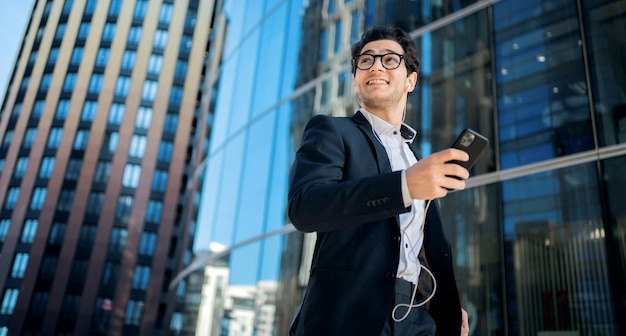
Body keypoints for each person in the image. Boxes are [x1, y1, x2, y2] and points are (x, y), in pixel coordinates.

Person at [287, 25, 470, 336]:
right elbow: (305, 207)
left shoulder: (415, 159)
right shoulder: (332, 131)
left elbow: (420, 250)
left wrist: (447, 313)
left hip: (419, 318)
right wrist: (404, 187)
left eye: (389, 60)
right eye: (366, 60)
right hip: (348, 317)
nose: (375, 66)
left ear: (410, 80)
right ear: (357, 81)